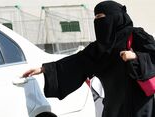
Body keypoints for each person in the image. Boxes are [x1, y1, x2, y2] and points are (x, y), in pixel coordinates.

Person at [23, 1, 155, 117]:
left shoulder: (136, 36)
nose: (98, 21)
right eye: (96, 17)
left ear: (115, 17)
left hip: (138, 106)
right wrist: (45, 69)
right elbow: (77, 62)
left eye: (102, 17)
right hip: (113, 107)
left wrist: (136, 57)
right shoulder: (98, 48)